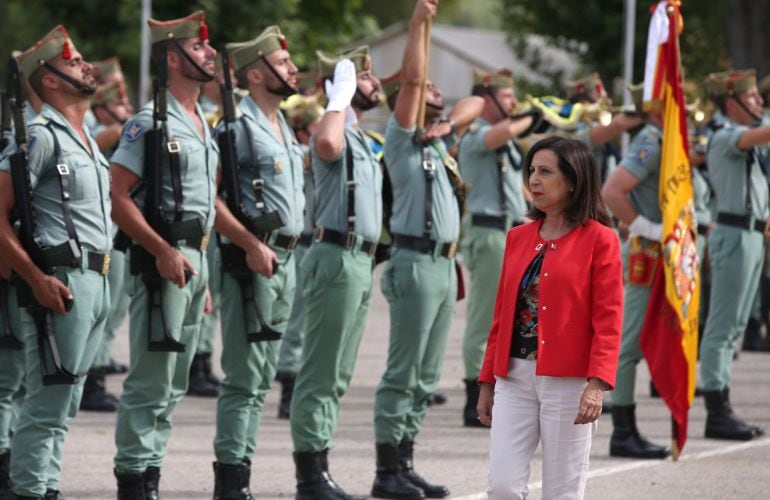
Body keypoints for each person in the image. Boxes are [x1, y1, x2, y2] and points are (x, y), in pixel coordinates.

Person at [372, 1, 484, 498]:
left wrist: (449, 127)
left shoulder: (438, 142)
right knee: (403, 371)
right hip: (414, 261)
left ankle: (407, 460)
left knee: (426, 374)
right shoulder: (401, 140)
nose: (435, 90)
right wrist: (419, 24)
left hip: (443, 264)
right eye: (428, 89)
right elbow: (414, 84)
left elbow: (480, 102)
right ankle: (386, 471)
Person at [110, 11, 222, 497]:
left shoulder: (201, 122)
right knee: (152, 380)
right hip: (164, 261)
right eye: (198, 48)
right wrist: (159, 249)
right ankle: (135, 481)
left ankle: (150, 472)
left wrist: (207, 279)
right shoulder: (147, 123)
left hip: (195, 262)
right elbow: (117, 198)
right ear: (173, 58)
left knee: (175, 381)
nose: (210, 53)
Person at [0, 25, 112, 499]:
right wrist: (35, 277)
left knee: (64, 407)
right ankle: (29, 491)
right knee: (46, 406)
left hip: (97, 279)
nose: (87, 66)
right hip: (62, 280)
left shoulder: (84, 139)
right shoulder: (42, 137)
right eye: (73, 62)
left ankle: (45, 488)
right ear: (47, 79)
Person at [477, 136, 623, 500]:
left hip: (569, 382)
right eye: (531, 171)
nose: (534, 180)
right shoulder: (517, 236)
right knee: (503, 486)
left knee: (562, 491)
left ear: (573, 179)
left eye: (545, 171)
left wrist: (597, 383)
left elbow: (609, 320)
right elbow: (501, 316)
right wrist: (486, 380)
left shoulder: (601, 239)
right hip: (513, 376)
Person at [211, 26, 303, 498]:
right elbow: (211, 195)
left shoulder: (281, 125)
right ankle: (231, 481)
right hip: (254, 261)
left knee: (262, 377)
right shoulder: (234, 126)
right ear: (255, 73)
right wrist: (248, 243)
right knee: (245, 378)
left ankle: (240, 470)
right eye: (283, 64)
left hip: (286, 259)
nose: (292, 70)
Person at [289, 47, 383, 499]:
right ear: (340, 85)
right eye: (363, 75)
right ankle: (310, 476)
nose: (374, 81)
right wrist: (338, 96)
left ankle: (320, 466)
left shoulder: (362, 137)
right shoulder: (333, 129)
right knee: (321, 372)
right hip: (334, 256)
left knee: (339, 373)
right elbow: (326, 143)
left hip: (361, 260)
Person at [457, 68, 536, 428]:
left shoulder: (503, 142)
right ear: (485, 99)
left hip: (509, 231)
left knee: (505, 314)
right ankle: (474, 394)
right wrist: (532, 118)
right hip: (487, 233)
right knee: (485, 314)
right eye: (506, 97)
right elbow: (502, 131)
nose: (514, 103)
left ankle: (495, 386)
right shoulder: (475, 135)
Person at [698, 69, 770, 440]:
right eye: (754, 97)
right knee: (721, 328)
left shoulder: (749, 138)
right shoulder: (725, 136)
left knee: (737, 329)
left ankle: (723, 403)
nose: (759, 102)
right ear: (733, 102)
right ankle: (716, 409)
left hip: (754, 235)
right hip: (734, 233)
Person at [600, 101, 674, 459]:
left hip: (669, 253)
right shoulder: (652, 139)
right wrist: (646, 227)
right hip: (648, 251)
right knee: (628, 344)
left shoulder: (671, 139)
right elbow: (612, 191)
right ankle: (623, 432)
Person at [79, 80, 134, 413]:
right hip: (103, 233)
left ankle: (96, 375)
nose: (125, 106)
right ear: (102, 107)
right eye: (119, 101)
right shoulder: (103, 131)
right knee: (103, 311)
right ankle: (91, 381)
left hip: (115, 232)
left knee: (113, 311)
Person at [276, 93, 324, 419]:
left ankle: (301, 382)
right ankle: (288, 387)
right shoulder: (304, 153)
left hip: (319, 244)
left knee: (310, 321)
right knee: (297, 320)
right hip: (302, 243)